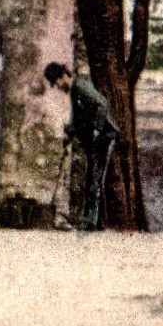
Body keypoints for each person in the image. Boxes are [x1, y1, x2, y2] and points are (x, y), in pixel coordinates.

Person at [44, 61, 119, 231]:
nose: (57, 86)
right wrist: (69, 133)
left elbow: (102, 104)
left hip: (105, 137)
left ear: (63, 76)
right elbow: (79, 119)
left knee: (95, 180)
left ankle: (92, 223)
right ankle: (92, 222)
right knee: (92, 179)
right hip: (98, 140)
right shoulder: (74, 92)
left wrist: (96, 129)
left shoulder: (80, 86)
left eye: (56, 82)